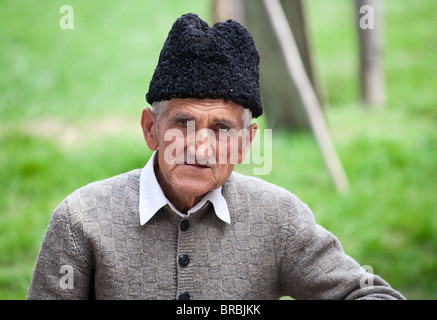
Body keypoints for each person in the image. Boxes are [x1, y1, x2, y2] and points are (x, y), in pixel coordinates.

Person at [27, 13, 404, 300]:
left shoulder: (278, 220)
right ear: (150, 129)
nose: (199, 146)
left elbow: (366, 293)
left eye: (222, 129)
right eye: (182, 122)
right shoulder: (81, 221)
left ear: (245, 143)